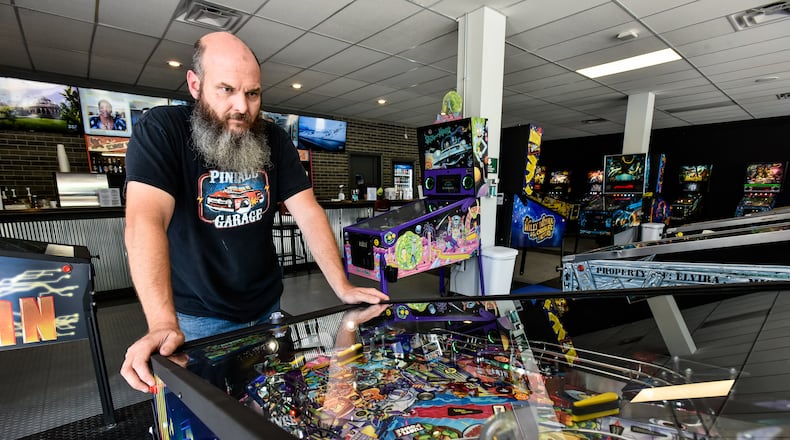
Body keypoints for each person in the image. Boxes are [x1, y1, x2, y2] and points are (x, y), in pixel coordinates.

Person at [120, 31, 388, 393]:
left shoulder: (273, 138)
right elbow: (145, 220)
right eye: (226, 89)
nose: (242, 107)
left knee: (276, 403)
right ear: (195, 84)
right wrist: (161, 322)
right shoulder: (162, 129)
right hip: (197, 318)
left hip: (267, 308)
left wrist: (341, 286)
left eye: (252, 93)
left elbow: (308, 212)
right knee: (214, 415)